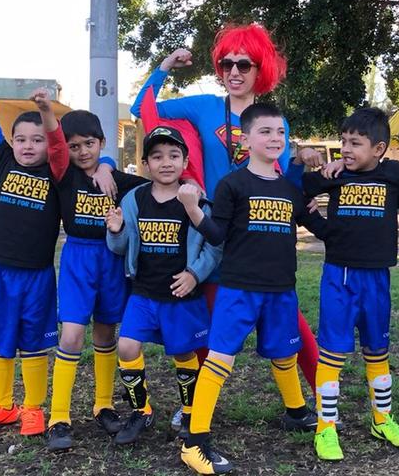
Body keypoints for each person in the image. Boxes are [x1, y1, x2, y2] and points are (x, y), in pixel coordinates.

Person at [130, 25, 320, 414]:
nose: (234, 71)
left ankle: (324, 402)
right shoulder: (202, 106)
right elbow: (142, 108)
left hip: (257, 239)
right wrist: (165, 66)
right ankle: (195, 408)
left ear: (259, 68)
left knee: (293, 327)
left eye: (243, 64)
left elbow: (280, 179)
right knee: (207, 322)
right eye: (225, 62)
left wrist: (305, 165)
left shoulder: (273, 121)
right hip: (210, 231)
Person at [176, 103, 327, 475]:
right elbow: (217, 236)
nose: (274, 138)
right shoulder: (232, 184)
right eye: (265, 132)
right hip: (238, 289)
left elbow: (322, 229)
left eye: (279, 132)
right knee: (220, 359)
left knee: (285, 353)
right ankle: (195, 442)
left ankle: (295, 412)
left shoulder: (291, 189)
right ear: (246, 139)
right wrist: (194, 210)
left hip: (280, 289)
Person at [291, 107, 399, 461]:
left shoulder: (394, 174)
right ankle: (327, 427)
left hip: (378, 277)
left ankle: (382, 419)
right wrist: (323, 226)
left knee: (377, 349)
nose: (346, 149)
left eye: (355, 143)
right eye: (343, 142)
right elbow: (295, 192)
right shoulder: (334, 174)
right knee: (334, 352)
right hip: (339, 276)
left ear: (380, 148)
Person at [0, 72, 66, 436]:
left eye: (36, 140)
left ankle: (33, 408)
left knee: (33, 342)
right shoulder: (4, 162)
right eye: (21, 139)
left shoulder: (56, 173)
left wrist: (45, 111)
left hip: (37, 274)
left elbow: (59, 144)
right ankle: (2, 406)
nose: (27, 145)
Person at [41, 105, 148, 451]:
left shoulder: (116, 180)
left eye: (89, 144)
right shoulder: (63, 175)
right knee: (71, 336)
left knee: (105, 332)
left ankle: (103, 404)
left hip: (112, 260)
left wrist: (108, 167)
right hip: (78, 259)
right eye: (75, 147)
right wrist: (45, 109)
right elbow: (54, 143)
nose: (82, 152)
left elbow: (158, 184)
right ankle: (59, 416)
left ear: (102, 142)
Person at [105, 125, 221, 446]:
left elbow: (214, 246)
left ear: (185, 162)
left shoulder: (194, 200)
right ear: (145, 164)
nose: (165, 162)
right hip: (143, 292)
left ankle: (188, 410)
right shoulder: (134, 199)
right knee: (127, 346)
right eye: (157, 156)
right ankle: (142, 410)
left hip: (181, 295)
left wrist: (195, 274)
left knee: (183, 352)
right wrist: (115, 230)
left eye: (173, 155)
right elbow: (119, 247)